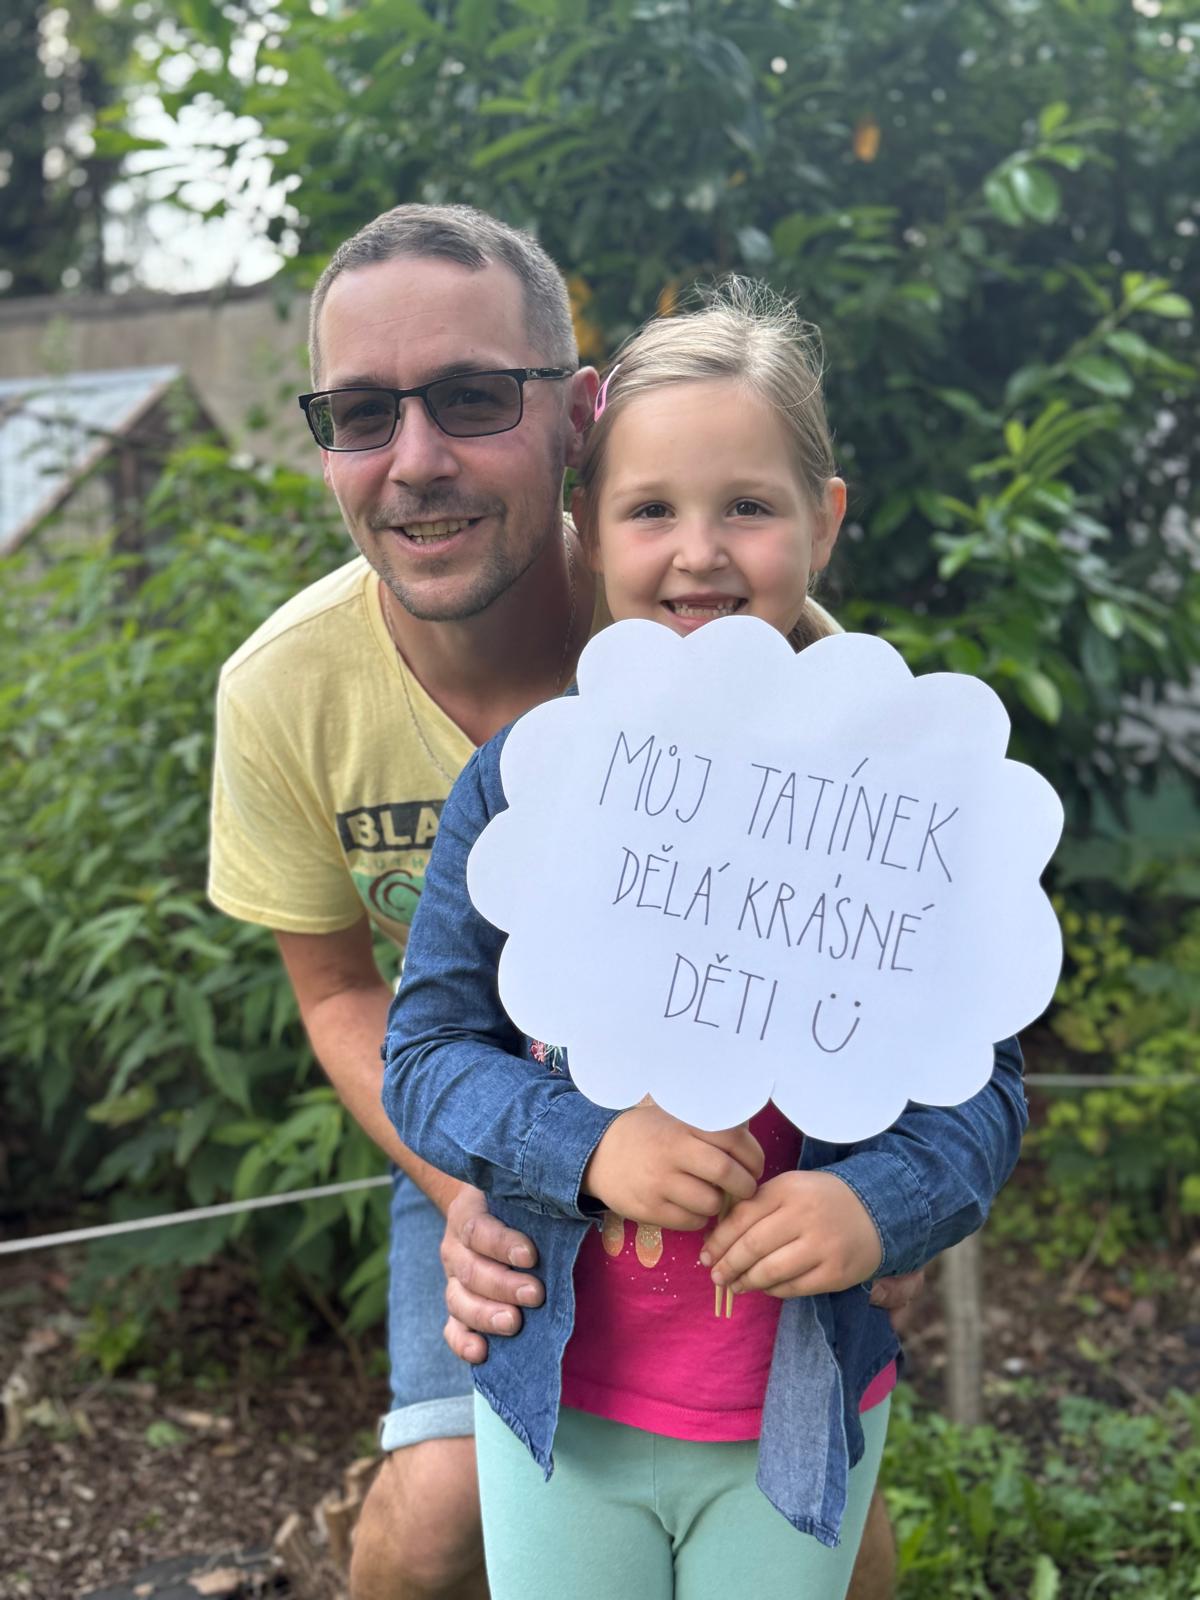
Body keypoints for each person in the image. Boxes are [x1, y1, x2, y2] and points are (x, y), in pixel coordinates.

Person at [209, 204, 906, 1600]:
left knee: (829, 1507)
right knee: (435, 1511)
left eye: (472, 397)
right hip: (480, 1103)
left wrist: (888, 1196)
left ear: (577, 419)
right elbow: (345, 996)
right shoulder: (284, 690)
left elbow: (897, 959)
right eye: (362, 414)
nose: (417, 459)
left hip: (756, 1152)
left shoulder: (739, 629)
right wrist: (477, 1190)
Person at [381, 281, 1028, 1600]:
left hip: (795, 1408)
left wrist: (875, 1205)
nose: (699, 552)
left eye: (747, 507)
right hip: (557, 1400)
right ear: (586, 531)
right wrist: (589, 1144)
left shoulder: (909, 796)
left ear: (823, 521)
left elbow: (982, 1096)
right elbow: (426, 1056)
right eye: (651, 511)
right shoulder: (522, 782)